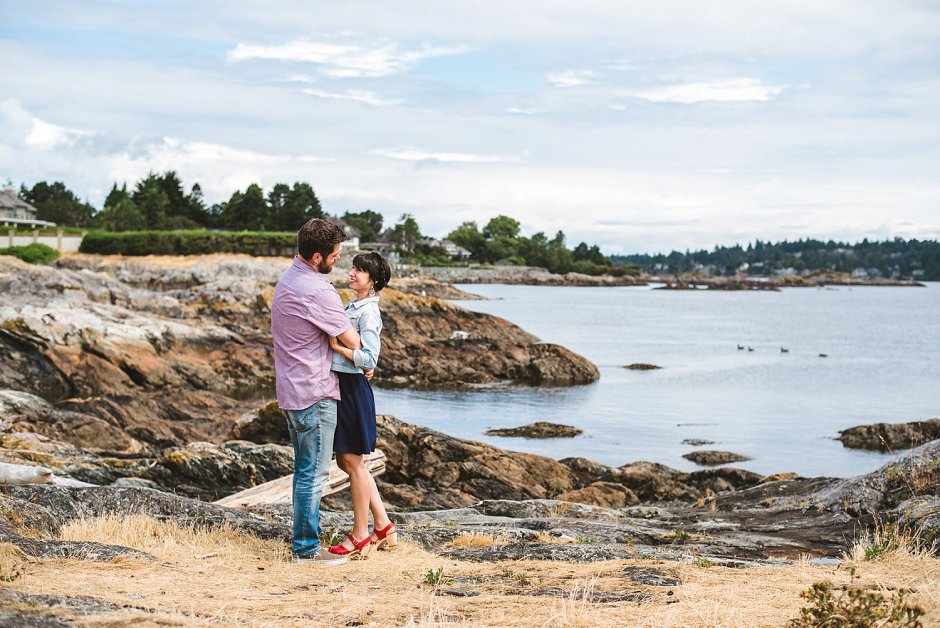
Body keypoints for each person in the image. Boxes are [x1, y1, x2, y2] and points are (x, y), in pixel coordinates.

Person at [271, 218, 362, 565]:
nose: (338, 261)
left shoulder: (289, 278)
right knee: (314, 474)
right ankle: (306, 550)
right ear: (316, 256)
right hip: (315, 392)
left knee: (303, 470)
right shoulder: (318, 290)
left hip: (292, 391)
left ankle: (303, 543)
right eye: (335, 256)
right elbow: (352, 340)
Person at [327, 252, 397, 559]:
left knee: (352, 463)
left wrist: (337, 348)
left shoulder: (369, 312)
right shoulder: (353, 305)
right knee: (348, 462)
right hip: (346, 386)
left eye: (360, 270)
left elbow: (370, 358)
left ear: (374, 280)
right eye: (354, 267)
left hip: (352, 390)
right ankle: (383, 526)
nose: (353, 273)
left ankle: (360, 535)